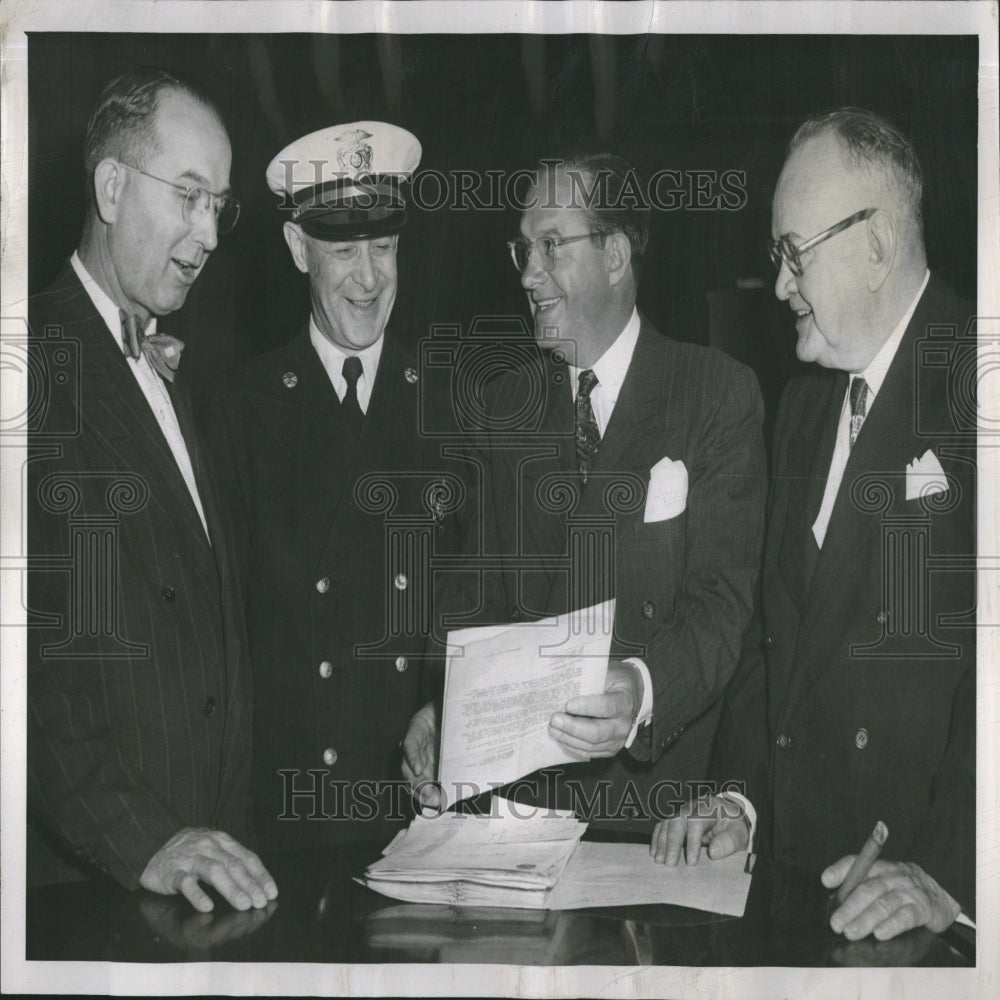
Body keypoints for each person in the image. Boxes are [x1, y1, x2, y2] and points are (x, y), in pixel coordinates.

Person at [652, 108, 976, 942]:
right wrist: (740, 799)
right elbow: (776, 638)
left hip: (920, 914)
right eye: (776, 258)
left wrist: (952, 874)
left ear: (873, 247)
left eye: (794, 254)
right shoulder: (802, 406)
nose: (781, 284)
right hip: (796, 886)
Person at [403, 154, 766, 829]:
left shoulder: (714, 394)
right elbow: (469, 597)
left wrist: (639, 688)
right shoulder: (500, 409)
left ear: (616, 255)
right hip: (521, 819)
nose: (527, 274)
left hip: (660, 819)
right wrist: (446, 710)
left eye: (549, 246)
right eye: (522, 249)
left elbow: (722, 606)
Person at [27, 68, 276, 913]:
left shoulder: (170, 375)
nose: (209, 233)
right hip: (93, 887)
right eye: (189, 195)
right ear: (110, 186)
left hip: (202, 882)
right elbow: (21, 671)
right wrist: (146, 840)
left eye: (220, 206)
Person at [201, 122, 459, 852]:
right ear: (296, 250)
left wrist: (443, 704)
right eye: (344, 251)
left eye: (383, 248)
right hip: (288, 815)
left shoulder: (448, 407)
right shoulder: (237, 408)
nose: (369, 278)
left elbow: (476, 599)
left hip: (419, 808)